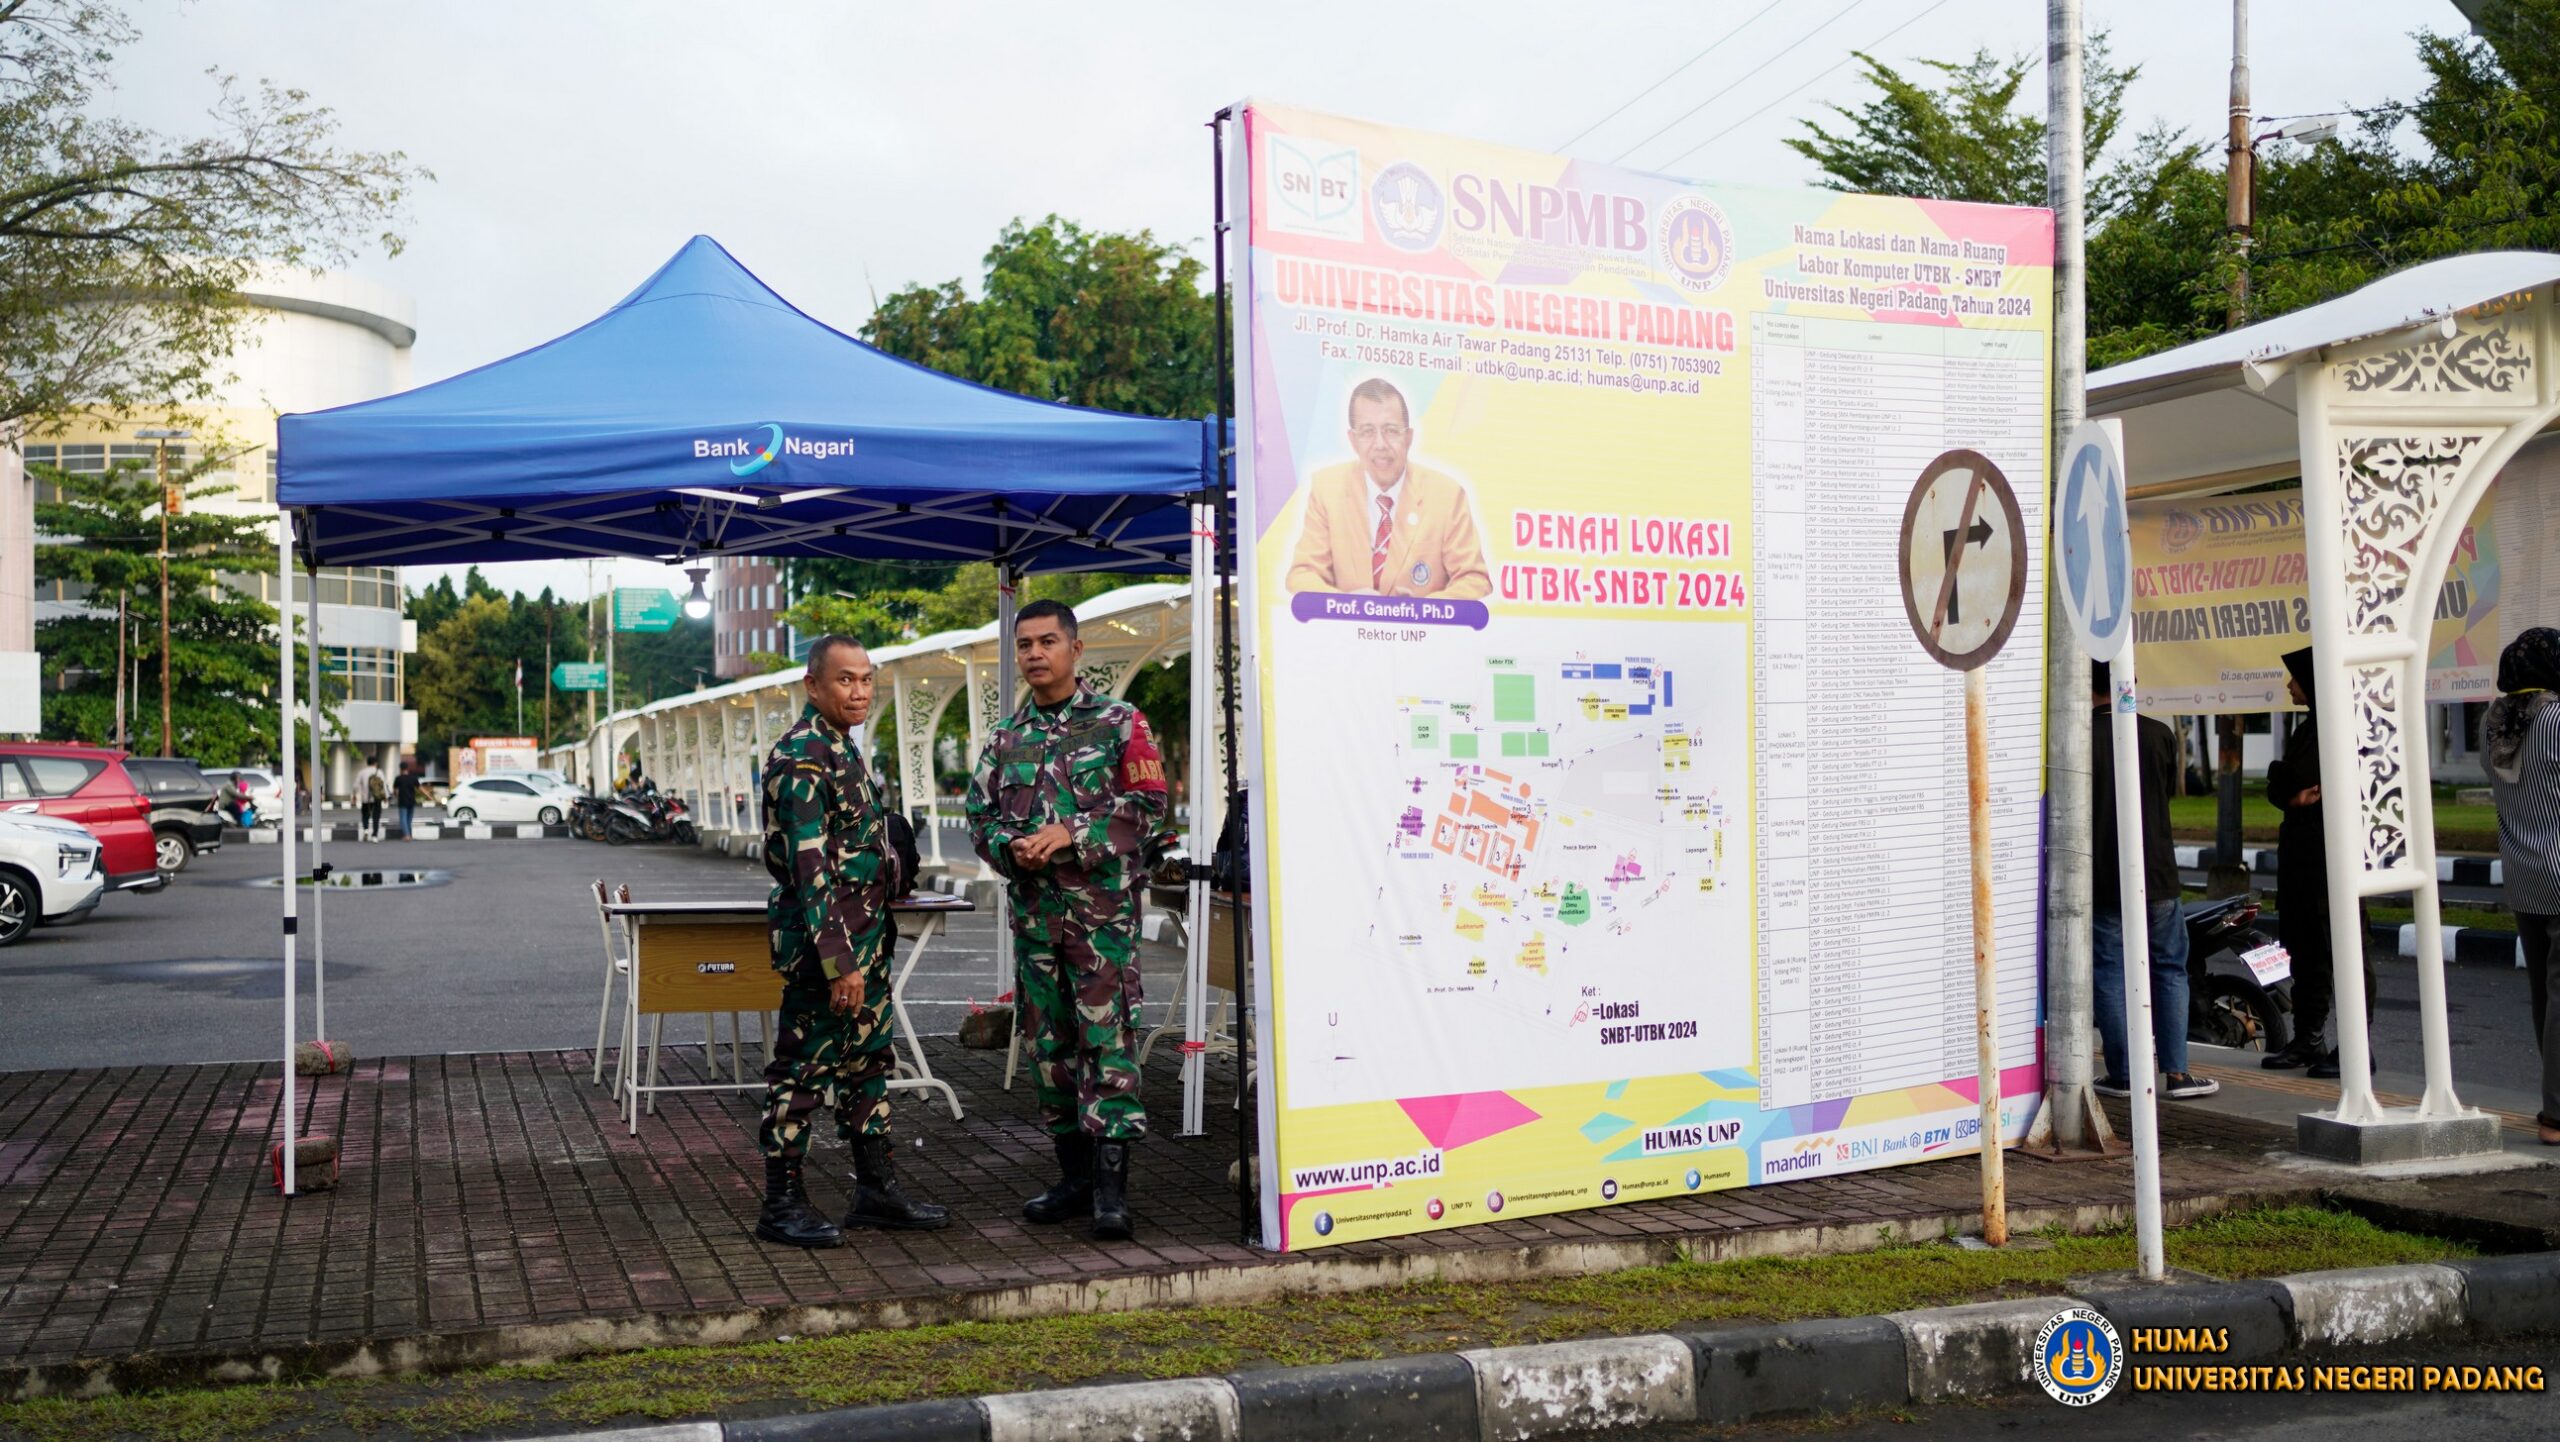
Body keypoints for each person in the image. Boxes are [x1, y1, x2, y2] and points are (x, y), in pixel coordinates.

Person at [966, 599, 1169, 1241]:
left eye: (1047, 641)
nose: (1034, 654)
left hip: (1101, 926)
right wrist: (1011, 848)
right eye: (1024, 644)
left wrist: (1069, 834)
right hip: (1035, 924)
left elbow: (1150, 807)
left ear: (1075, 650)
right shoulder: (1005, 738)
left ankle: (1112, 1193)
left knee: (1106, 1048)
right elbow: (980, 818)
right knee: (1049, 1052)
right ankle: (1074, 1182)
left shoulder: (1119, 722)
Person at [752, 634, 948, 1248]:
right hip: (825, 953)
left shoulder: (841, 747)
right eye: (845, 680)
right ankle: (781, 1204)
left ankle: (876, 1192)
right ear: (814, 685)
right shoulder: (803, 757)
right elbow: (811, 870)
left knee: (866, 1065)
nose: (859, 690)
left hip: (864, 944)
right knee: (802, 1076)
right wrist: (840, 965)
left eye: (866, 679)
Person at [2089, 662, 2218, 1100]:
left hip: (2102, 877)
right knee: (2169, 970)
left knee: (2110, 972)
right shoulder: (2160, 735)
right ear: (2129, 681)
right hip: (2158, 874)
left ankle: (2123, 1075)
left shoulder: (2075, 736)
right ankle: (2178, 1074)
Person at [2262, 646, 2374, 1078]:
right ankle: (2308, 1039)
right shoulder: (2308, 729)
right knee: (2305, 950)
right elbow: (2287, 782)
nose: (2289, 685)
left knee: (2344, 948)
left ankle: (2357, 1047)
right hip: (2302, 859)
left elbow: (2297, 778)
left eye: (2295, 678)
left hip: (2335, 857)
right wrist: (2287, 786)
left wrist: (2287, 783)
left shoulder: (2340, 727)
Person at [1285, 377, 1490, 599]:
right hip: (1346, 632)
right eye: (1367, 432)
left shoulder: (1447, 494)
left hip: (1423, 632)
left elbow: (1475, 580)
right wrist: (1348, 605)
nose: (1380, 444)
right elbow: (1302, 575)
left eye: (1391, 430)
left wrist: (1423, 610)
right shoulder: (1327, 488)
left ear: (1409, 438)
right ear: (1353, 440)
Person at [2483, 627, 2560, 1145]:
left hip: (2525, 872)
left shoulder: (2495, 720)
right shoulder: (2555, 717)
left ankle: (2554, 1102)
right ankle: (2555, 1116)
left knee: (2545, 994)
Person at [355, 758, 386, 844]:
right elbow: (384, 785)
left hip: (366, 799)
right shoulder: (379, 772)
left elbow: (356, 785)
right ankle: (374, 836)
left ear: (367, 762)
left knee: (365, 815)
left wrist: (354, 795)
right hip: (377, 798)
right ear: (375, 763)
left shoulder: (362, 772)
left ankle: (366, 831)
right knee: (376, 817)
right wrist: (385, 797)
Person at [393, 762, 420, 841]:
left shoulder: (398, 778)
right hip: (411, 801)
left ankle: (407, 835)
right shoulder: (413, 778)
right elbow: (419, 788)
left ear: (400, 769)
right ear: (407, 768)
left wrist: (396, 796)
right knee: (409, 819)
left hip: (402, 801)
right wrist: (429, 796)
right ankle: (409, 834)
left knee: (403, 819)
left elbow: (395, 791)